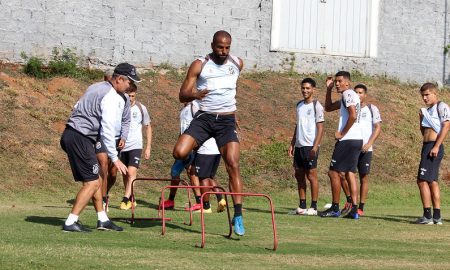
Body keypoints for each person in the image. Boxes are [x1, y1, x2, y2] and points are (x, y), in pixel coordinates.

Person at [172, 30, 245, 236]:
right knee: (179, 152)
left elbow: (230, 90)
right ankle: (186, 157)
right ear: (212, 45)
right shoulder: (200, 64)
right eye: (220, 47)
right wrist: (195, 94)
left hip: (226, 120)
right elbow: (182, 95)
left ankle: (238, 215)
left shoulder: (237, 63)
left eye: (227, 47)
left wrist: (233, 113)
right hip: (204, 118)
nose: (223, 51)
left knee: (233, 163)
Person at [60, 63, 141, 232]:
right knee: (93, 182)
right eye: (129, 82)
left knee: (94, 178)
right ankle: (70, 221)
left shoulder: (95, 87)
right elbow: (107, 129)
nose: (130, 86)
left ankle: (102, 219)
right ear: (119, 79)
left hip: (75, 134)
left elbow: (77, 107)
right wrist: (114, 158)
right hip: (79, 137)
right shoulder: (111, 96)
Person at [319, 71, 362, 219]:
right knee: (348, 173)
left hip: (348, 139)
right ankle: (354, 209)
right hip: (356, 139)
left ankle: (335, 208)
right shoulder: (348, 96)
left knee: (333, 172)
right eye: (335, 81)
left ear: (347, 83)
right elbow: (329, 107)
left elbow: (353, 115)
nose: (337, 83)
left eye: (339, 81)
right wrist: (329, 89)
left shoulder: (348, 94)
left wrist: (342, 133)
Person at [339, 84, 382, 216]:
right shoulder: (350, 106)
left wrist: (369, 143)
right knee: (342, 174)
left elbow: (378, 128)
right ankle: (350, 201)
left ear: (365, 95)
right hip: (352, 146)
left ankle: (360, 207)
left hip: (365, 149)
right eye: (356, 92)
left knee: (364, 177)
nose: (358, 94)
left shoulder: (371, 108)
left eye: (361, 92)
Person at [288, 78, 324, 216]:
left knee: (311, 175)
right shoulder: (299, 105)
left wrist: (315, 147)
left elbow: (320, 128)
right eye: (303, 88)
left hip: (311, 146)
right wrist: (292, 144)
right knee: (299, 175)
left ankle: (313, 207)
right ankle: (302, 205)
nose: (305, 90)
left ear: (313, 89)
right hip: (299, 145)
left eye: (308, 88)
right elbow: (297, 126)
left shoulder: (317, 106)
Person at [96, 69, 131, 212]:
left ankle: (105, 193)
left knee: (112, 173)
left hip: (117, 138)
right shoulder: (102, 93)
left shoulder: (125, 98)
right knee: (103, 164)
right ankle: (102, 200)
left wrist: (123, 136)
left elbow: (126, 119)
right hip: (102, 135)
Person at [415, 82, 449, 225]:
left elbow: (446, 125)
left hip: (433, 147)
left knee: (422, 180)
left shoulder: (442, 106)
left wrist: (436, 146)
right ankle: (437, 216)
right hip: (427, 145)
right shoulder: (427, 111)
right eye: (423, 95)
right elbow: (425, 132)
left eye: (427, 95)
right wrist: (421, 120)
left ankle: (427, 216)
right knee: (432, 181)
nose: (424, 98)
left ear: (435, 93)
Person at [160, 101, 202, 210]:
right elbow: (183, 129)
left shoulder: (195, 106)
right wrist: (179, 143)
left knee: (176, 171)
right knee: (190, 172)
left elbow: (200, 125)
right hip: (184, 145)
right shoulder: (184, 109)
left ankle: (171, 201)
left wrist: (195, 143)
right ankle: (199, 202)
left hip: (191, 145)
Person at [118, 83, 152, 210]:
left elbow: (148, 127)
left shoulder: (141, 108)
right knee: (125, 174)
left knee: (132, 172)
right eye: (128, 95)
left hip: (135, 145)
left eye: (133, 96)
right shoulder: (120, 107)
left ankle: (125, 199)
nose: (131, 98)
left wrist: (148, 147)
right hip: (122, 146)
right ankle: (131, 197)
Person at [194, 137, 228, 213]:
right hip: (217, 150)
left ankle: (206, 207)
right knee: (210, 177)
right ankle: (220, 199)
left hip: (205, 150)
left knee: (203, 178)